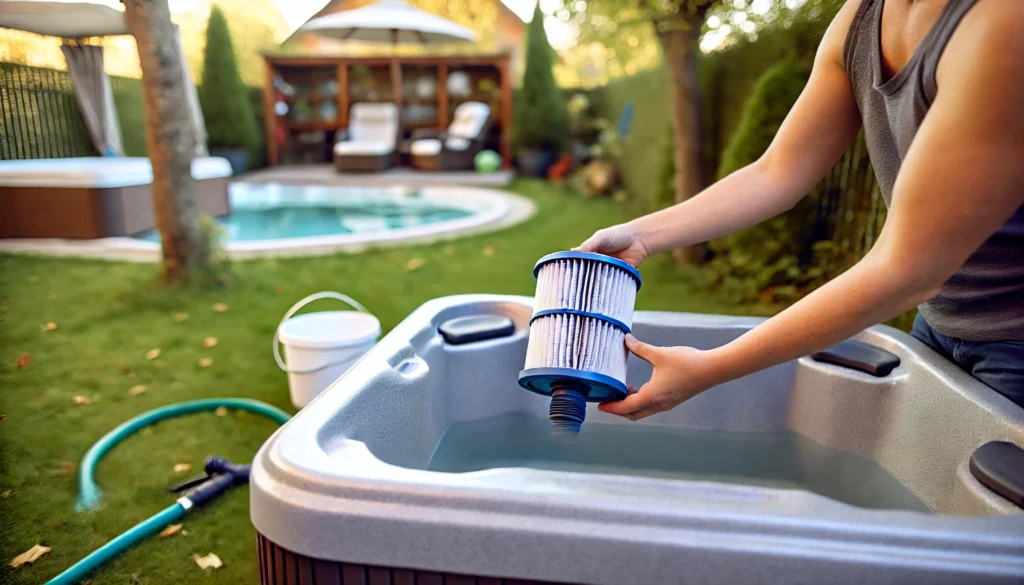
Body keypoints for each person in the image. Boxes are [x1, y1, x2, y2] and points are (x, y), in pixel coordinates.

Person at [578, 0, 1024, 420]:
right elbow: (776, 172)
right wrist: (642, 235)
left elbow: (906, 269)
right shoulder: (863, 18)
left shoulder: (1003, 20)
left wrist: (711, 367)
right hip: (940, 322)